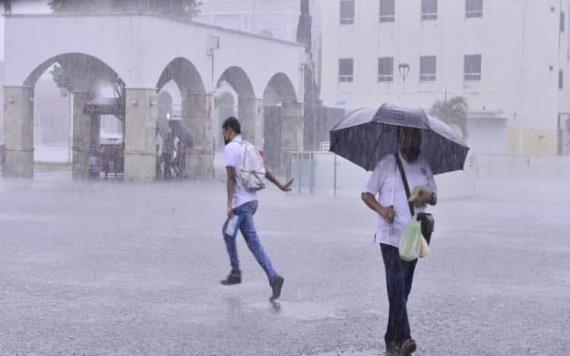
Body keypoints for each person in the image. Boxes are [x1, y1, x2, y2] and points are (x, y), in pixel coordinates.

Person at [361, 127, 437, 356]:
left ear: (419, 139)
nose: (410, 141)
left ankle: (389, 338)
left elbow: (434, 196)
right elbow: (366, 194)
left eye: (414, 136)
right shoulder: (386, 164)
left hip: (415, 235)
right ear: (399, 139)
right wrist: (383, 210)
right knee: (397, 285)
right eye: (405, 136)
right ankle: (405, 338)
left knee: (404, 290)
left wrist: (427, 196)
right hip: (390, 236)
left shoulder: (424, 165)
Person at [220, 116, 293, 301]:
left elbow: (231, 178)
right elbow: (263, 170)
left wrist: (229, 205)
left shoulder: (230, 148)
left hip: (241, 205)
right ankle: (274, 277)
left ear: (229, 130)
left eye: (224, 132)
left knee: (228, 233)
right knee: (253, 243)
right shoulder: (248, 146)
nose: (224, 136)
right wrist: (280, 185)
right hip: (252, 202)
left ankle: (236, 273)